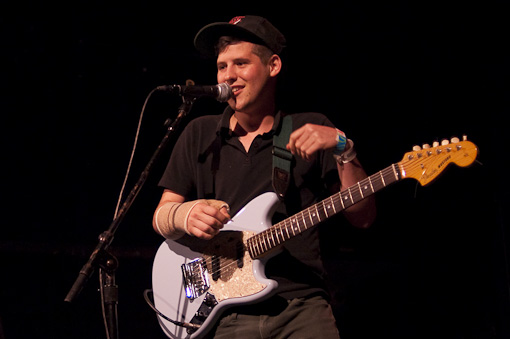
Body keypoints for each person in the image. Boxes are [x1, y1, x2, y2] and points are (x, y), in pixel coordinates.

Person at [152, 15, 376, 338]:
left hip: (301, 307)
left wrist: (344, 148)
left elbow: (363, 216)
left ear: (273, 66)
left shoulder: (309, 128)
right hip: (225, 314)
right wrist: (182, 214)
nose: (229, 76)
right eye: (222, 66)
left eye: (240, 63)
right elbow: (161, 216)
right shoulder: (199, 134)